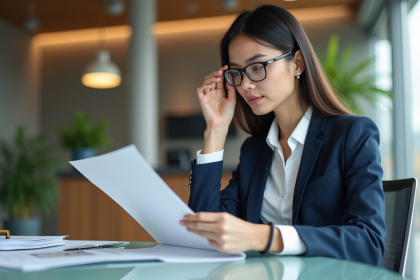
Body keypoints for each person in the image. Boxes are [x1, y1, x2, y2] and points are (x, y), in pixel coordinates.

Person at [179, 4, 386, 266]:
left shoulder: (352, 135)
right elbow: (204, 234)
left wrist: (268, 237)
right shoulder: (255, 150)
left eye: (257, 67)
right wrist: (216, 130)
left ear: (297, 63)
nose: (245, 84)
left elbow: (370, 242)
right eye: (237, 72)